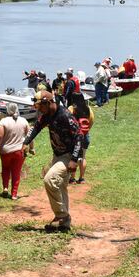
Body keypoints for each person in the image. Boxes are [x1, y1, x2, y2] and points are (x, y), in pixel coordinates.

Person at [23, 91, 81, 232]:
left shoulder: (65, 116)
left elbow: (79, 137)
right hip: (58, 155)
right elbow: (36, 127)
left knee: (49, 180)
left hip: (68, 155)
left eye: (40, 106)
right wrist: (26, 142)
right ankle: (64, 223)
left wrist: (74, 160)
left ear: (48, 103)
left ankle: (61, 216)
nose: (39, 110)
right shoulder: (47, 115)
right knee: (61, 186)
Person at [0, 102, 29, 200]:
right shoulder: (23, 121)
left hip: (5, 151)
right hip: (19, 151)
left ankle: (5, 188)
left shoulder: (4, 121)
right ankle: (14, 194)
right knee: (16, 172)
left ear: (7, 110)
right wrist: (31, 148)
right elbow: (29, 135)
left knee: (5, 169)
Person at [67, 92, 94, 184]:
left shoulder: (71, 109)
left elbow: (67, 122)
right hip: (85, 135)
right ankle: (82, 178)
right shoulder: (88, 109)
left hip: (74, 137)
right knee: (83, 157)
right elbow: (91, 122)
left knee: (74, 156)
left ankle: (72, 178)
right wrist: (85, 131)